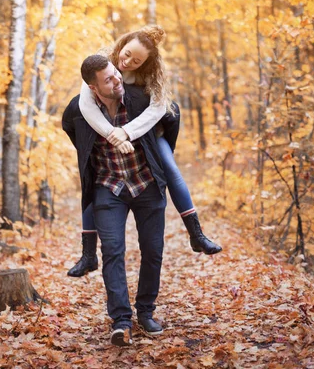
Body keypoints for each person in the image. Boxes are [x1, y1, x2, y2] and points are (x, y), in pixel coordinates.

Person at [67, 25, 222, 278]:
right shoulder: (104, 62)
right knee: (90, 174)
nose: (126, 62)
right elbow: (86, 105)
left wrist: (127, 132)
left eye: (136, 61)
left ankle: (196, 234)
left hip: (150, 131)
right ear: (123, 43)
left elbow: (158, 109)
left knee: (170, 169)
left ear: (145, 64)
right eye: (126, 54)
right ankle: (88, 254)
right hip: (110, 129)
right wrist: (111, 135)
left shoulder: (153, 75)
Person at [62, 55, 174, 346]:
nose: (116, 81)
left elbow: (170, 116)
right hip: (108, 187)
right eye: (108, 80)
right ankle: (121, 320)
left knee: (153, 250)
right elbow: (71, 130)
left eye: (115, 74)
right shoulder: (79, 108)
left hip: (146, 183)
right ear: (93, 87)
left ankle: (146, 312)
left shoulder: (138, 97)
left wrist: (163, 157)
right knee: (112, 251)